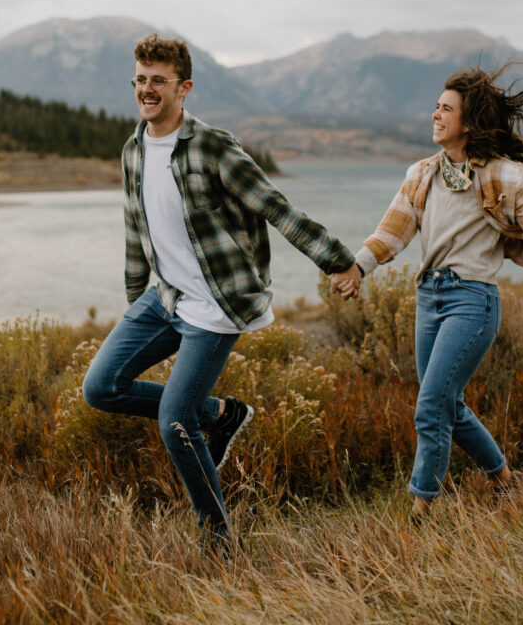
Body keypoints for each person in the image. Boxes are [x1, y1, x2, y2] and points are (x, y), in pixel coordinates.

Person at [83, 34, 358, 547]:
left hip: (216, 302)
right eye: (140, 80)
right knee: (101, 388)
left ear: (183, 88)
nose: (146, 90)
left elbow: (275, 207)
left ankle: (219, 540)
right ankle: (222, 414)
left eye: (158, 81)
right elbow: (134, 230)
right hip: (164, 297)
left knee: (173, 424)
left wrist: (338, 261)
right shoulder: (133, 149)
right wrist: (134, 302)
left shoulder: (213, 147)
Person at [331, 66, 523, 518]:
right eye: (436, 107)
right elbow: (392, 232)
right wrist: (357, 266)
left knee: (430, 406)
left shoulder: (504, 177)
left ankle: (421, 511)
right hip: (429, 298)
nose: (435, 114)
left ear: (468, 123)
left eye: (446, 109)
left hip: (473, 301)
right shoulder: (422, 174)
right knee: (448, 404)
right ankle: (503, 479)